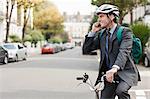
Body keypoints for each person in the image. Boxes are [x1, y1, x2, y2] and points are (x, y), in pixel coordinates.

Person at [82, 4, 140, 99]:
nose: (99, 20)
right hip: (109, 76)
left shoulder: (125, 32)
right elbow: (86, 50)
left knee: (121, 91)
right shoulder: (102, 34)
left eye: (102, 16)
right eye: (98, 17)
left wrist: (114, 68)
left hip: (125, 73)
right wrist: (92, 32)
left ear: (112, 16)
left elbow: (124, 52)